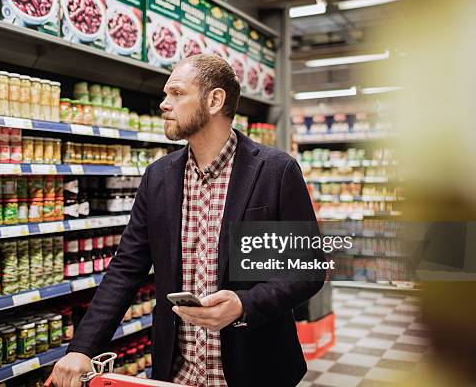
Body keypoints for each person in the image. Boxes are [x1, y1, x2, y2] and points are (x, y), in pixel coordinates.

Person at [51, 54, 324, 387]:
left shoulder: (274, 171)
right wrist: (82, 348)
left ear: (214, 100)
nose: (164, 104)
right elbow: (126, 269)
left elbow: (307, 270)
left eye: (177, 93)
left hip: (255, 370)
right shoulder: (159, 178)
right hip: (177, 374)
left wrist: (243, 305)